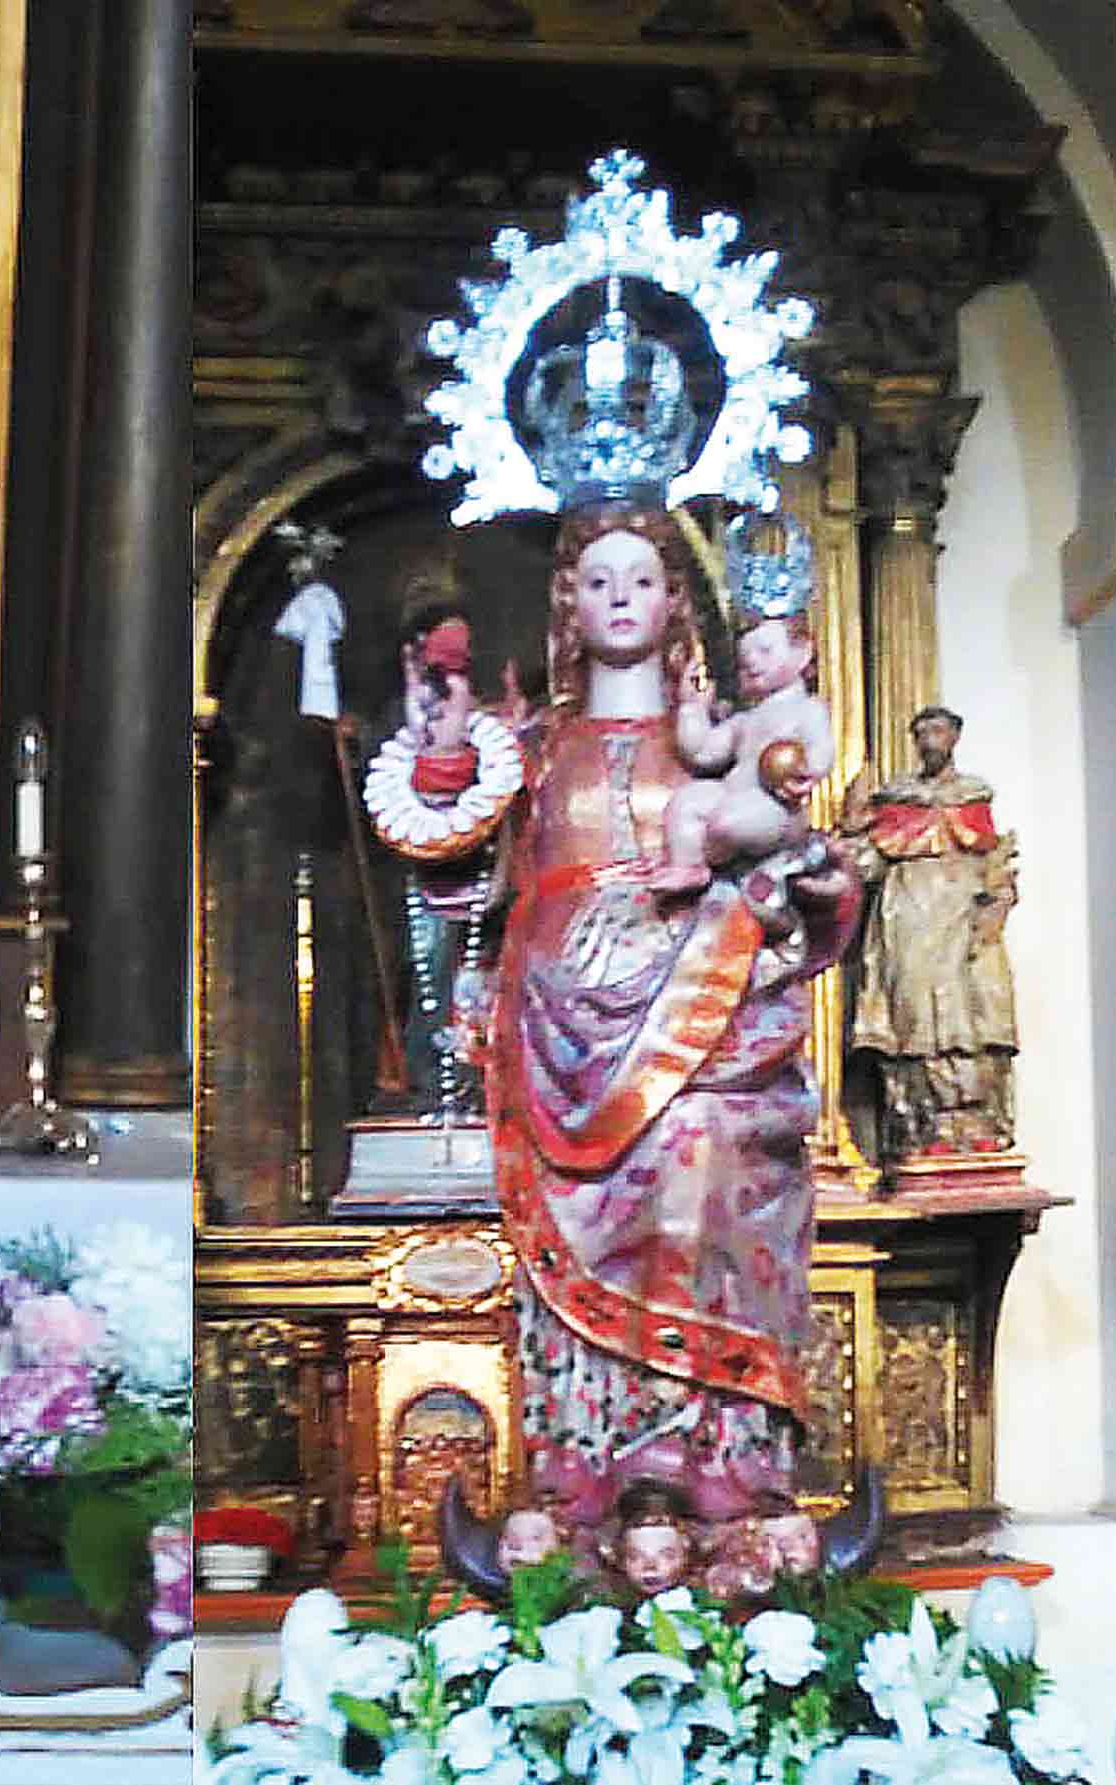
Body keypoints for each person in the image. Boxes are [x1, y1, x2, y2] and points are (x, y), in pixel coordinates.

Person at [371, 505, 859, 1575]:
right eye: (598, 582)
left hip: (703, 1019)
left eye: (643, 578)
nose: (622, 599)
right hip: (559, 1030)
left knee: (705, 1176)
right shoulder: (535, 745)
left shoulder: (721, 739)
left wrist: (814, 882)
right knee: (574, 1250)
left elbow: (795, 859)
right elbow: (464, 881)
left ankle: (723, 1472)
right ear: (568, 607)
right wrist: (449, 762)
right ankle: (588, 1476)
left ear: (677, 599)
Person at [843, 705, 1019, 1157]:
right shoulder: (898, 801)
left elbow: (994, 865)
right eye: (921, 732)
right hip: (909, 918)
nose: (929, 740)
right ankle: (923, 1126)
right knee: (915, 1016)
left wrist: (996, 900)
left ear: (955, 736)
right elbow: (866, 863)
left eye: (937, 731)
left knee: (970, 1016)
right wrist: (851, 827)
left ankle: (976, 1121)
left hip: (961, 918)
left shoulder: (973, 797)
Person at [653, 611, 832, 895]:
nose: (752, 661)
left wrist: (806, 771)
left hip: (777, 807)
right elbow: (702, 751)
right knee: (686, 801)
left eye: (765, 651)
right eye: (745, 658)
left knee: (728, 822)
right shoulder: (745, 720)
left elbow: (821, 750)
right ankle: (689, 867)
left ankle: (716, 858)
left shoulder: (808, 709)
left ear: (802, 653)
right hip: (736, 794)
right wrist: (691, 709)